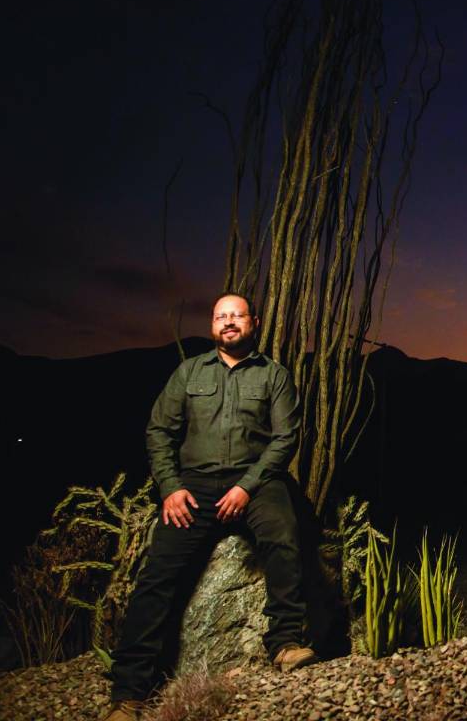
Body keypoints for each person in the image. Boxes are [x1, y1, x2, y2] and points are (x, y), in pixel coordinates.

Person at [103, 293, 318, 721]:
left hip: (258, 479)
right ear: (213, 325)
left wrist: (246, 487)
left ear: (253, 322)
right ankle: (128, 693)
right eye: (221, 316)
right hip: (194, 485)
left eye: (237, 315)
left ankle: (285, 643)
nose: (229, 322)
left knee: (283, 534)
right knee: (158, 574)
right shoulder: (188, 373)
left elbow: (284, 440)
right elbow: (159, 432)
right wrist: (170, 487)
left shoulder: (273, 376)